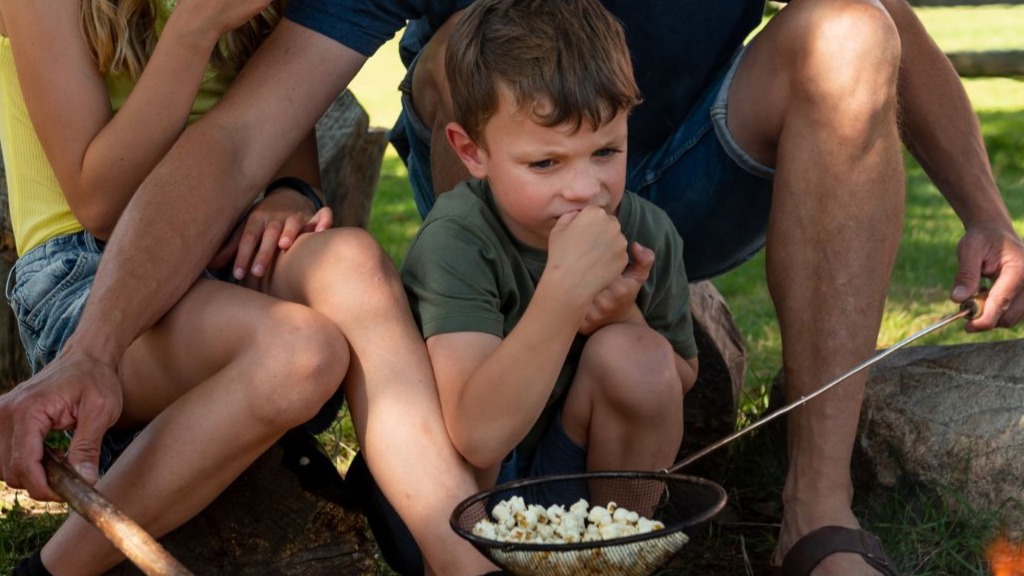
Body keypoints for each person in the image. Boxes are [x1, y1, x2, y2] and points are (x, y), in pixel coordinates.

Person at [0, 0, 1020, 575]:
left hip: (688, 171)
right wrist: (92, 349)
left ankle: (818, 514)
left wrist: (983, 210)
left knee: (846, 32)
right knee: (454, 54)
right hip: (498, 188)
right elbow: (233, 139)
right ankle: (474, 506)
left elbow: (881, 21)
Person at [0, 1, 495, 575]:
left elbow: (282, 152)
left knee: (352, 263)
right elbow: (101, 204)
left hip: (220, 245)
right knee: (300, 353)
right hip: (84, 276)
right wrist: (194, 29)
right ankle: (52, 570)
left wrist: (290, 195)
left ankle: (464, 561)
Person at [400, 0, 699, 503]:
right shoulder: (457, 240)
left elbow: (678, 376)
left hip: (570, 464)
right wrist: (565, 292)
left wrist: (622, 315)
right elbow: (476, 437)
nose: (585, 189)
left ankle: (615, 547)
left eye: (605, 152)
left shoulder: (645, 230)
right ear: (472, 152)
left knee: (640, 357)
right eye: (545, 163)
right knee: (471, 421)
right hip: (461, 494)